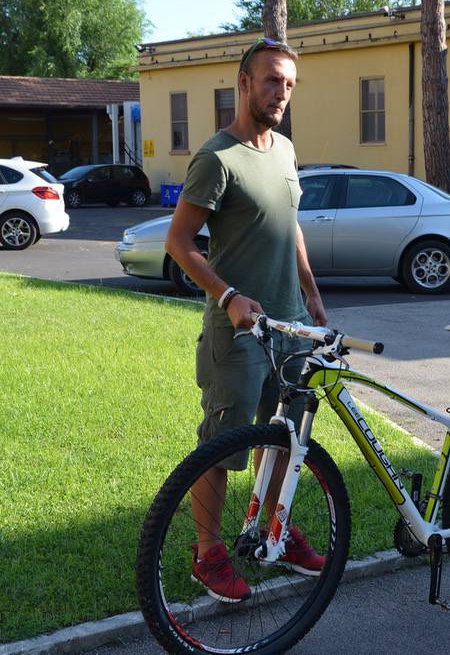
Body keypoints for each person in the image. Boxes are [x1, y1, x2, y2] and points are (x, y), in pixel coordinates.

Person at [165, 37, 328, 603]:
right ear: (243, 83)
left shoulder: (283, 150)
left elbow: (291, 225)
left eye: (288, 83)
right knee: (222, 446)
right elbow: (180, 242)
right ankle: (207, 555)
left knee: (283, 438)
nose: (281, 92)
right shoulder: (216, 157)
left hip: (288, 325)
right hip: (237, 330)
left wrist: (310, 290)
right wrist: (228, 295)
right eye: (271, 81)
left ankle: (270, 528)